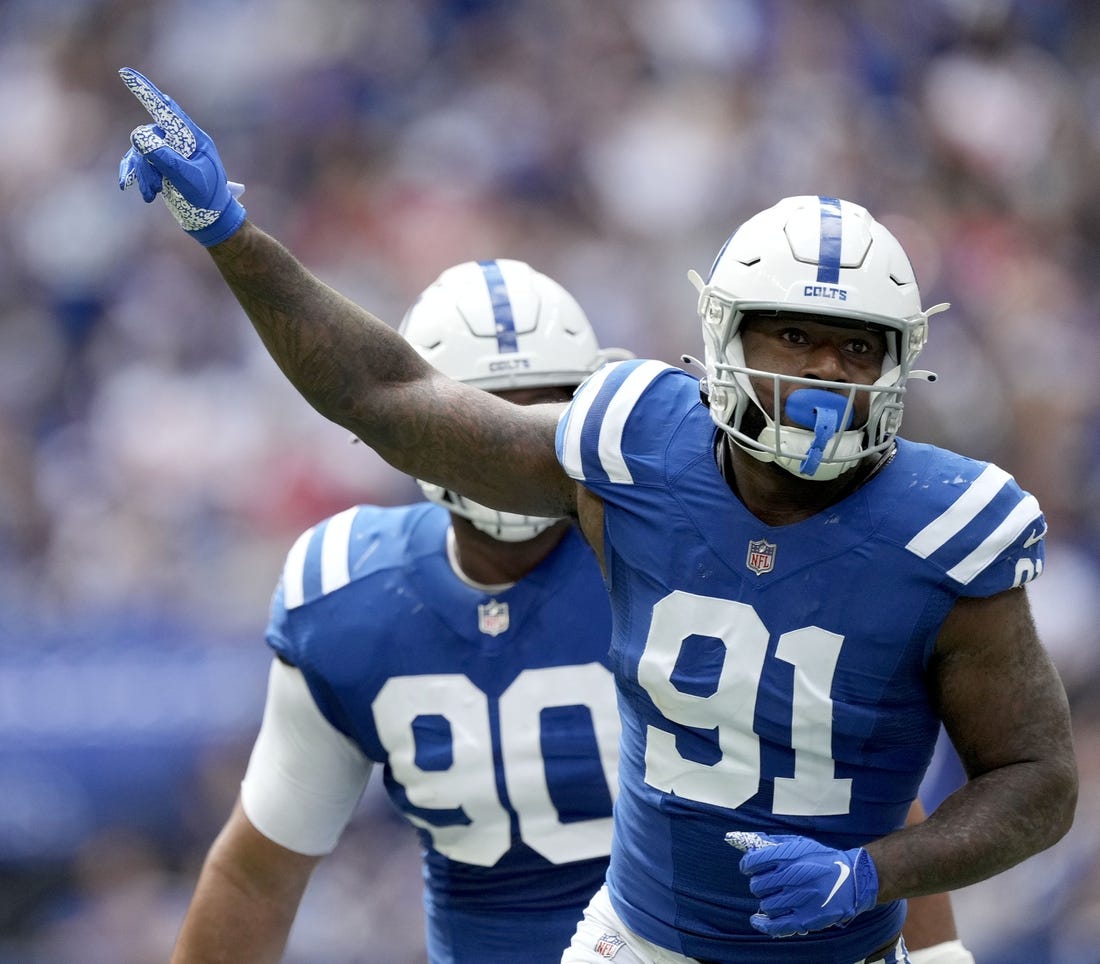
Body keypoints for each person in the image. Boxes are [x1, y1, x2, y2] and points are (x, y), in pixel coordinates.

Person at [118, 67, 1072, 963]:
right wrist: (229, 232)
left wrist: (882, 881)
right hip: (636, 941)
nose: (826, 373)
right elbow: (385, 393)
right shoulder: (630, 466)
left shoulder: (942, 529)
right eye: (794, 336)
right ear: (726, 339)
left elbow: (999, 773)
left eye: (857, 348)